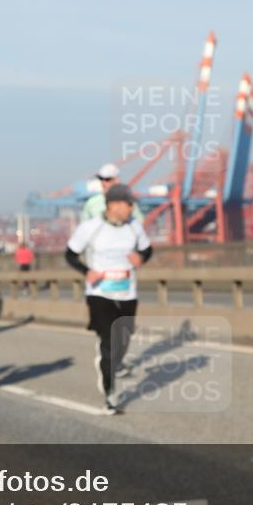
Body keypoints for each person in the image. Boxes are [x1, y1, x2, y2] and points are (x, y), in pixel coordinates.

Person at [66, 183, 152, 414]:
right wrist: (86, 271)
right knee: (108, 342)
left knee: (123, 339)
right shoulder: (91, 228)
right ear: (113, 205)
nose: (132, 208)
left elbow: (147, 249)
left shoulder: (134, 226)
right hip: (99, 293)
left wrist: (141, 258)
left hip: (127, 292)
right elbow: (70, 254)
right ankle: (110, 395)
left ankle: (111, 363)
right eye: (128, 204)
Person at [80, 163, 146, 223]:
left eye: (107, 179)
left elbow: (139, 223)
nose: (103, 183)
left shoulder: (128, 203)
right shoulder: (91, 203)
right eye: (101, 179)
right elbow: (84, 225)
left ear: (117, 180)